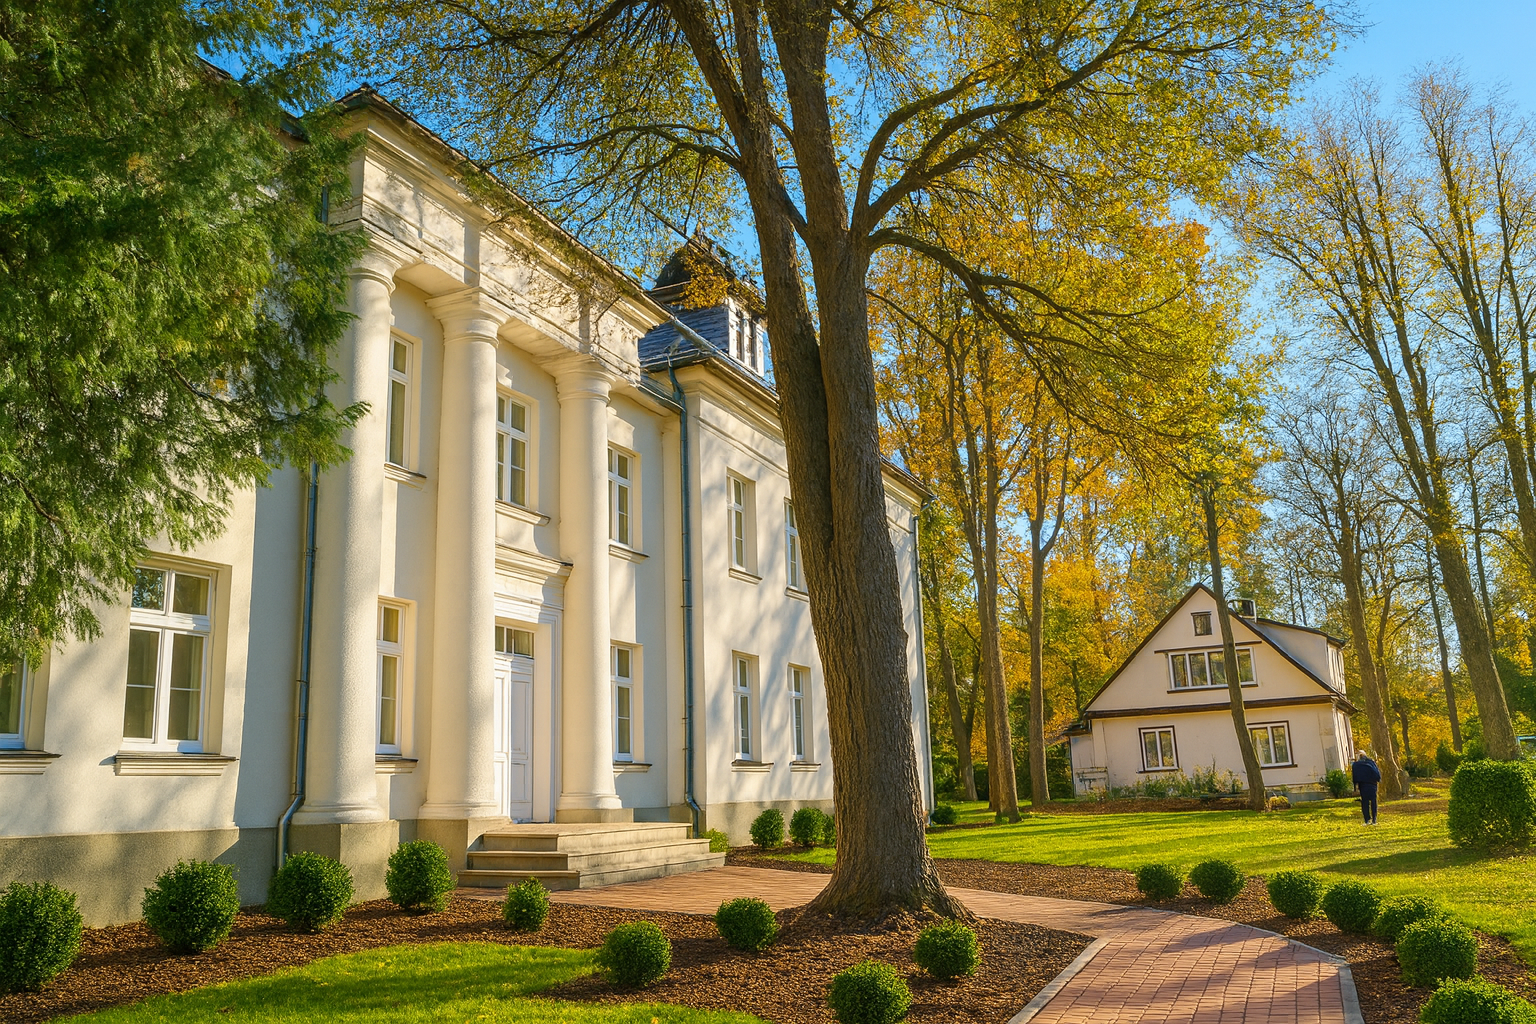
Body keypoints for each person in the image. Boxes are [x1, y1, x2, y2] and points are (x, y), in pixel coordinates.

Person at [1352, 750, 1382, 825]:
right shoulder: (1371, 762)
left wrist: (1355, 786)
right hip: (1372, 784)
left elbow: (1355, 776)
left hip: (1363, 785)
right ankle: (1374, 820)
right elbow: (1377, 773)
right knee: (1373, 801)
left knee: (1365, 802)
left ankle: (1367, 820)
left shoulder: (1356, 765)